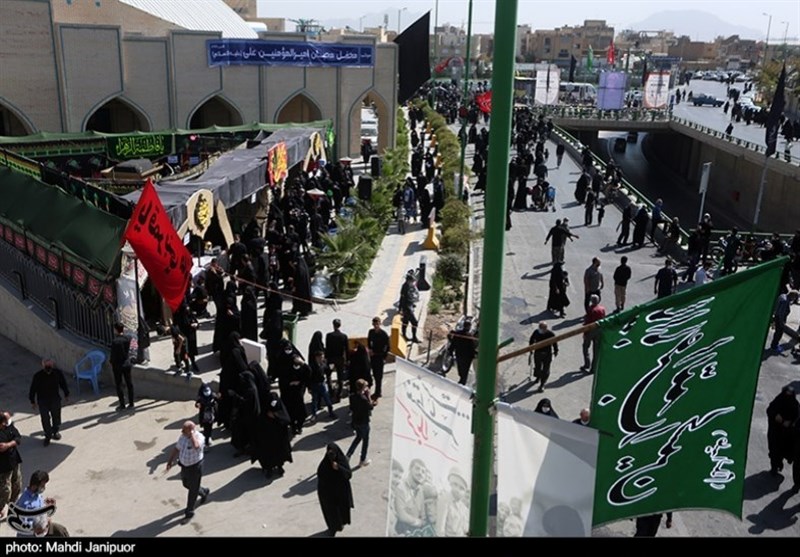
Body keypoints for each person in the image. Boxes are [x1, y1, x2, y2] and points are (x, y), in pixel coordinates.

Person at [166, 421, 210, 521]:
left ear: (191, 430)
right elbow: (176, 448)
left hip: (195, 467)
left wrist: (191, 435)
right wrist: (170, 461)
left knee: (192, 490)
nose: (182, 431)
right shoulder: (183, 437)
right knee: (186, 484)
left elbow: (196, 446)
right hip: (184, 466)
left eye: (184, 430)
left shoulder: (199, 437)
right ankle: (204, 491)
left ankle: (189, 512)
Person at [29, 359, 69, 446]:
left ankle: (55, 431)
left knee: (56, 416)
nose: (48, 368)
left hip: (55, 399)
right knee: (45, 419)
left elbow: (63, 383)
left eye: (50, 366)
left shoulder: (57, 373)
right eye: (46, 366)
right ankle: (48, 435)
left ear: (52, 365)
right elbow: (33, 389)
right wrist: (32, 401)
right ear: (43, 366)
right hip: (43, 401)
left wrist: (66, 394)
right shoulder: (38, 376)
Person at [317, 443, 354, 537]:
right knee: (331, 514)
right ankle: (333, 528)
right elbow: (321, 477)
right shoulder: (324, 465)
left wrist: (339, 468)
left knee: (341, 512)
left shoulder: (342, 460)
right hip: (329, 495)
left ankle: (340, 524)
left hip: (340, 493)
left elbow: (348, 474)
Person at [12, 470, 56, 537]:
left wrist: (46, 505)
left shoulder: (36, 494)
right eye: (42, 485)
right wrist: (38, 527)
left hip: (42, 530)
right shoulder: (25, 503)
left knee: (61, 531)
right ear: (35, 486)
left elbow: (37, 508)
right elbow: (22, 525)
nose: (44, 488)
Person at [393, 459, 430, 536]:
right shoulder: (400, 486)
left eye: (423, 471)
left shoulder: (421, 491)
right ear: (410, 469)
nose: (420, 473)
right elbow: (401, 515)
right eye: (417, 468)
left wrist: (420, 522)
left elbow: (423, 517)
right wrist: (419, 522)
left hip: (415, 532)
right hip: (400, 531)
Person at [346, 379, 376, 468]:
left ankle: (348, 455)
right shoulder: (363, 399)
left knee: (358, 437)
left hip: (355, 421)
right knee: (365, 440)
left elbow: (351, 408)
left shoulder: (352, 396)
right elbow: (370, 407)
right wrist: (369, 396)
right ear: (363, 388)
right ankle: (362, 459)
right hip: (364, 422)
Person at [0, 411, 23, 521]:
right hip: (2, 468)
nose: (5, 424)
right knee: (5, 491)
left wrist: (8, 445)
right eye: (3, 422)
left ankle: (12, 509)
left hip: (14, 462)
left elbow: (18, 438)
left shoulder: (8, 427)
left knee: (17, 486)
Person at [110, 322, 134, 411]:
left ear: (116, 330)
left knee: (119, 384)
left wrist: (111, 362)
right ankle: (131, 403)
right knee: (129, 384)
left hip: (117, 365)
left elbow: (113, 355)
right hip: (126, 363)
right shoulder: (128, 338)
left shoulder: (115, 341)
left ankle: (122, 404)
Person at [528, 322, 558, 393]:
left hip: (547, 354)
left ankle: (542, 384)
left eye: (543, 328)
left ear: (546, 328)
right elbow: (531, 340)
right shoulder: (536, 332)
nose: (541, 330)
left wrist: (556, 351)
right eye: (540, 328)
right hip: (538, 353)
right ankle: (538, 377)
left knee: (545, 369)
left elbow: (554, 343)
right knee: (537, 367)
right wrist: (530, 349)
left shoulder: (550, 334)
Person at [325, 319, 349, 402]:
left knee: (329, 375)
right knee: (340, 376)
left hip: (331, 359)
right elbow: (346, 349)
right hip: (340, 359)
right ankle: (339, 394)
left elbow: (327, 348)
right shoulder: (344, 336)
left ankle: (331, 392)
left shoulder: (329, 335)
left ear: (333, 325)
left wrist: (326, 358)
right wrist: (347, 360)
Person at [581, 295, 606, 373]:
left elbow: (588, 322)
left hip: (590, 331)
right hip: (599, 331)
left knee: (585, 347)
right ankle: (593, 368)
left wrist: (585, 333)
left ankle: (587, 363)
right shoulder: (602, 309)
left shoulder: (591, 309)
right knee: (596, 350)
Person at [367, 317, 390, 399]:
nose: (376, 326)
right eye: (374, 324)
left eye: (377, 324)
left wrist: (384, 357)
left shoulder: (383, 334)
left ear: (380, 324)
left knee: (379, 376)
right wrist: (370, 349)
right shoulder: (371, 332)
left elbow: (387, 347)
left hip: (380, 356)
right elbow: (369, 341)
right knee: (374, 373)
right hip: (373, 356)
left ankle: (378, 392)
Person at [399, 271, 421, 343]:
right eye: (412, 281)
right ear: (408, 280)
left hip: (408, 306)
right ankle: (413, 337)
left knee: (405, 321)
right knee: (414, 322)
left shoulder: (407, 286)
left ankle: (404, 335)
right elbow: (402, 298)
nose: (412, 282)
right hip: (407, 308)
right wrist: (400, 309)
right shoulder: (405, 287)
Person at [195, 383, 219, 448]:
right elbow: (197, 404)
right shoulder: (201, 398)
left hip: (211, 415)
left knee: (210, 427)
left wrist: (218, 398)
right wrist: (198, 405)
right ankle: (206, 442)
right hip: (204, 416)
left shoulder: (213, 396)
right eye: (205, 391)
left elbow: (218, 400)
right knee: (206, 429)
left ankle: (208, 437)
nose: (207, 392)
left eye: (207, 390)